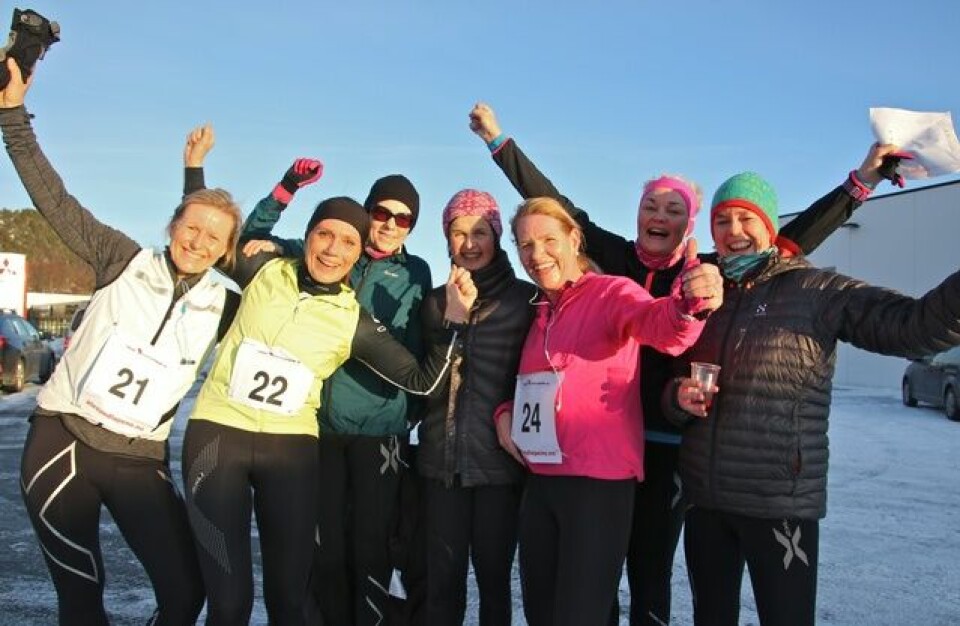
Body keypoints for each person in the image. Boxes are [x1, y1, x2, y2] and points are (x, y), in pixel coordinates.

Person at [468, 101, 899, 626]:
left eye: (675, 210)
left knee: (650, 570)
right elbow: (558, 211)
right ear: (639, 213)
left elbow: (788, 242)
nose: (660, 217)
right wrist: (498, 143)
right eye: (652, 205)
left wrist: (860, 183)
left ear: (688, 224)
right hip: (597, 446)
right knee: (589, 579)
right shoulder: (614, 259)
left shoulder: (708, 270)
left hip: (669, 443)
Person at [1, 59, 243, 625]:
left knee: (185, 594)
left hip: (139, 461)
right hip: (63, 444)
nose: (199, 242)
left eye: (214, 238)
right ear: (171, 226)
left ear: (226, 250)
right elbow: (54, 200)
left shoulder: (225, 305)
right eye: (190, 229)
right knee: (82, 598)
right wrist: (12, 115)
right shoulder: (121, 259)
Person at [664, 170, 960, 626]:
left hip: (780, 503)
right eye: (723, 221)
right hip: (706, 501)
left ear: (770, 227)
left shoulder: (817, 291)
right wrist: (676, 397)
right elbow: (670, 378)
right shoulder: (704, 294)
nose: (734, 231)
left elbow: (913, 325)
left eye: (747, 218)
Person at [180, 183, 476, 625]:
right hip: (278, 429)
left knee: (343, 564)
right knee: (273, 577)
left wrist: (453, 323)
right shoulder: (281, 265)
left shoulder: (385, 291)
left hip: (345, 434)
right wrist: (280, 194)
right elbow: (209, 236)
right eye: (381, 212)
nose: (335, 249)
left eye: (404, 219)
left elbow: (420, 371)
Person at [497, 196, 722, 626]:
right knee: (541, 612)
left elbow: (662, 327)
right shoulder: (541, 310)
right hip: (540, 481)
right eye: (525, 245)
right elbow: (527, 385)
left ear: (574, 238)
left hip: (596, 484)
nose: (536, 254)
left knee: (580, 615)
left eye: (548, 240)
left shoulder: (611, 292)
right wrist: (505, 413)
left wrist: (690, 305)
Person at [415, 189, 537, 625]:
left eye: (480, 232)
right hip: (439, 464)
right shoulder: (431, 303)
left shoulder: (525, 301)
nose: (469, 243)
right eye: (458, 232)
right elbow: (422, 383)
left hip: (499, 469)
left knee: (494, 583)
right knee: (442, 583)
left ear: (497, 236)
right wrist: (452, 318)